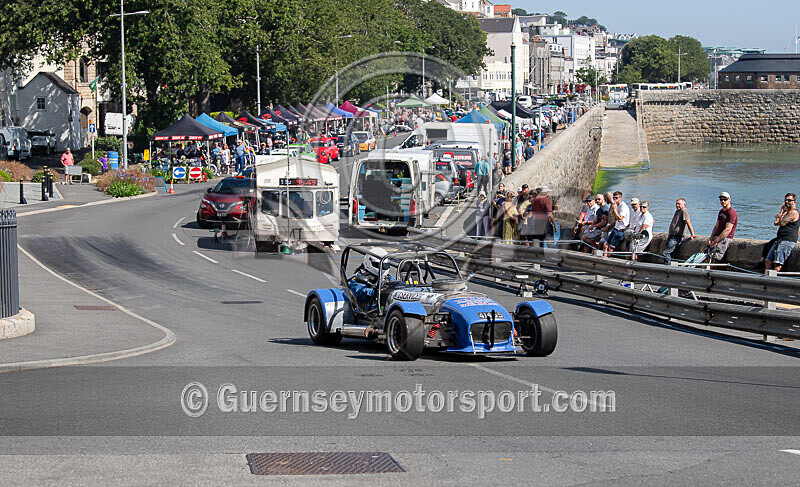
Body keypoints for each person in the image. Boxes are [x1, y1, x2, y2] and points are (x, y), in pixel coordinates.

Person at [765, 193, 799, 272]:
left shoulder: (793, 213)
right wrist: (781, 215)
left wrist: (779, 216)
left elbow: (782, 223)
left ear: (794, 202)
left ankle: (774, 281)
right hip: (780, 239)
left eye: (789, 200)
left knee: (778, 263)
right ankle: (766, 280)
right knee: (768, 261)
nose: (787, 202)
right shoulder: (787, 212)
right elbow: (777, 223)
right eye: (786, 200)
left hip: (787, 240)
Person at [662, 197, 696, 264]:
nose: (677, 205)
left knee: (666, 253)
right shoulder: (677, 211)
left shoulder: (684, 211)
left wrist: (692, 234)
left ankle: (668, 267)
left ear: (684, 205)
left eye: (679, 204)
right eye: (676, 204)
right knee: (672, 253)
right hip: (672, 236)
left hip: (676, 237)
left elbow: (688, 222)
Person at [708, 191, 738, 263]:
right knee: (708, 256)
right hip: (716, 237)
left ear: (729, 199)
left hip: (724, 239)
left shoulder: (732, 213)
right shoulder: (721, 211)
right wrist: (711, 237)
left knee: (715, 258)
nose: (723, 201)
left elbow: (727, 230)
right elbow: (716, 225)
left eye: (725, 199)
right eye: (721, 199)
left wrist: (717, 241)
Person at [603, 191, 630, 256]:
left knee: (610, 248)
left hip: (621, 230)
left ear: (620, 198)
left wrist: (614, 209)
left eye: (616, 198)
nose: (615, 199)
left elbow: (620, 219)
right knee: (605, 245)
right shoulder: (616, 205)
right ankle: (604, 259)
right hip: (616, 228)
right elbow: (614, 218)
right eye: (614, 198)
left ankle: (607, 260)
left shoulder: (623, 207)